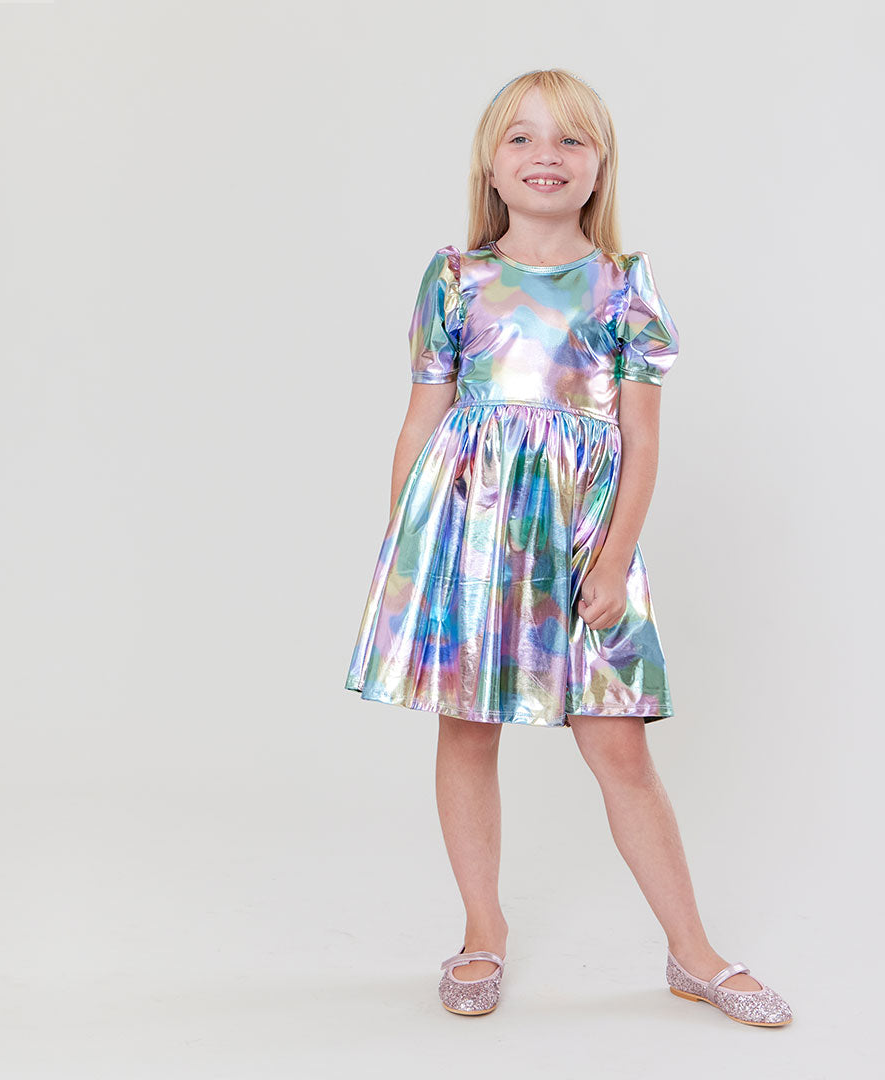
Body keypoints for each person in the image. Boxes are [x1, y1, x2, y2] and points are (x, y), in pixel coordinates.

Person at [344, 68, 793, 1027]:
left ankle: (693, 951)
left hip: (585, 545)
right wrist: (405, 550)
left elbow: (641, 441)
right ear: (490, 165)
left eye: (570, 139)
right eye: (521, 137)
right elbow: (421, 421)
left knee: (620, 750)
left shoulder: (622, 287)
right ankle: (482, 930)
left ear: (599, 166)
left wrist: (615, 558)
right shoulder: (456, 279)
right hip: (467, 542)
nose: (545, 154)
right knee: (467, 731)